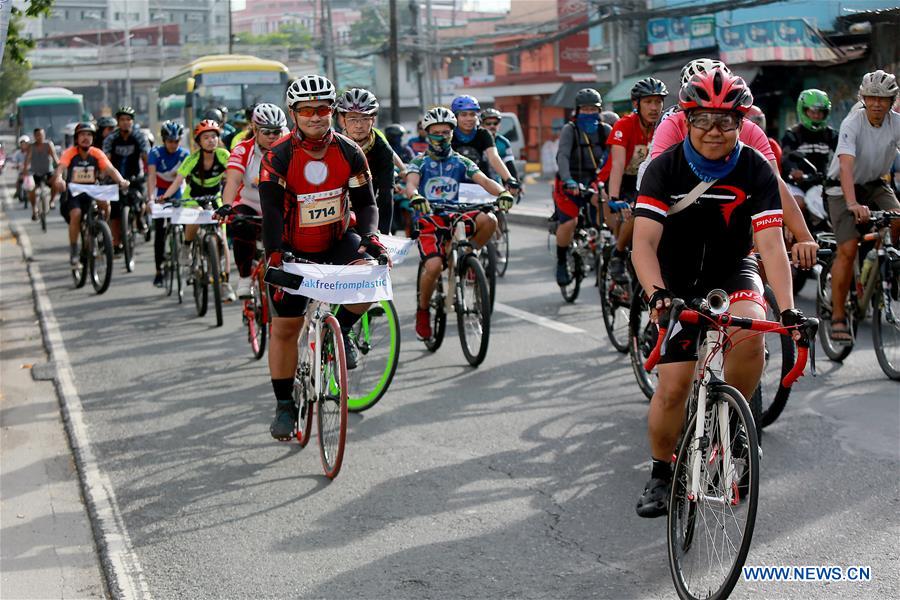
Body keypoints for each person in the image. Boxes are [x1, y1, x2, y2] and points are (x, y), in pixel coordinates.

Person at [631, 68, 803, 518]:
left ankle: (733, 422)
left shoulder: (755, 169)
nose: (714, 130)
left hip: (732, 268)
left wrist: (787, 309)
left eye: (726, 121)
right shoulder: (663, 169)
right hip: (675, 276)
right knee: (673, 387)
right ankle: (661, 474)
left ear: (741, 123)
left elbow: (770, 245)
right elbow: (643, 245)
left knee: (751, 335)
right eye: (703, 119)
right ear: (685, 119)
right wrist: (657, 297)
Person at [259, 74, 388, 440]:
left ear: (333, 111)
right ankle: (285, 406)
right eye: (307, 110)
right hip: (291, 247)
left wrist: (371, 238)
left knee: (369, 281)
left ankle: (341, 328)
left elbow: (366, 203)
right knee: (286, 327)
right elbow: (269, 211)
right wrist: (274, 254)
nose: (316, 116)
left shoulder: (349, 151)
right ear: (294, 113)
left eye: (323, 109)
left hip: (336, 239)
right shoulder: (279, 156)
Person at [643, 59, 819, 270]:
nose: (714, 124)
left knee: (763, 257)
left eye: (724, 116)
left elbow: (775, 183)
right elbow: (658, 183)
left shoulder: (750, 130)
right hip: (679, 208)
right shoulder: (671, 124)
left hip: (730, 208)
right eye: (702, 113)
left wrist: (803, 236)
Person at [405, 106, 513, 341]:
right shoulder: (419, 162)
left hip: (457, 215)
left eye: (446, 132)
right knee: (433, 267)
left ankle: (466, 256)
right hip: (430, 219)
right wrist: (416, 196)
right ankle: (423, 310)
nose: (441, 137)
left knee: (489, 219)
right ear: (426, 132)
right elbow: (411, 184)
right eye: (436, 132)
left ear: (452, 134)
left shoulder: (461, 161)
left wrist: (502, 192)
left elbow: (483, 180)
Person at [824, 69, 900, 343]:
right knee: (847, 248)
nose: (877, 104)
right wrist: (852, 203)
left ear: (892, 101)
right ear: (863, 98)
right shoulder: (852, 122)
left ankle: (876, 264)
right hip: (841, 186)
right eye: (871, 98)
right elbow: (845, 166)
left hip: (875, 183)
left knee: (898, 219)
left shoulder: (896, 122)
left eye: (883, 99)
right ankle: (839, 315)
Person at [597, 77, 668, 284]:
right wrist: (614, 197)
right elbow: (618, 164)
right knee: (635, 214)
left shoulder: (666, 125)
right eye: (648, 102)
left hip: (650, 181)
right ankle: (618, 255)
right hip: (623, 181)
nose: (654, 108)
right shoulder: (625, 124)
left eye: (658, 102)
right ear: (636, 104)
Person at [158, 119, 236, 302]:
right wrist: (165, 196)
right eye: (206, 137)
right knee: (195, 216)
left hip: (214, 196)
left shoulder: (224, 155)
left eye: (214, 137)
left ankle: (225, 283)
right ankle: (187, 246)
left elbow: (234, 175)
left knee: (223, 239)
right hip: (193, 196)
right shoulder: (192, 159)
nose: (211, 140)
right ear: (198, 141)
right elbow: (178, 181)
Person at [219, 103, 288, 299]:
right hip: (250, 204)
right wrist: (226, 205)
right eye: (267, 132)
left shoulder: (291, 149)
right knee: (240, 225)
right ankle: (244, 277)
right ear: (255, 130)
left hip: (279, 207)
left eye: (277, 132)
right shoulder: (243, 149)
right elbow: (232, 180)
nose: (273, 137)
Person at [553, 88, 612, 286]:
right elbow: (562, 156)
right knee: (569, 222)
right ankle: (561, 261)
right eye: (584, 110)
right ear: (577, 111)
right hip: (569, 182)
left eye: (593, 109)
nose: (589, 113)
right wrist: (568, 180)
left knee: (605, 215)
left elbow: (614, 159)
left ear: (600, 110)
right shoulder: (570, 130)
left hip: (595, 181)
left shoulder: (606, 130)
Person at [50, 122, 129, 266]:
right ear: (76, 138)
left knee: (106, 204)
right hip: (74, 192)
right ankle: (74, 250)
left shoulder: (97, 153)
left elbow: (111, 169)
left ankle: (102, 231)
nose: (85, 138)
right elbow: (60, 169)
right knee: (76, 214)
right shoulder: (70, 153)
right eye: (82, 135)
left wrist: (122, 181)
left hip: (93, 190)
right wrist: (59, 179)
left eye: (89, 135)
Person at [335, 88, 396, 234]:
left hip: (368, 211)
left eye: (364, 118)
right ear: (342, 120)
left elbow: (386, 196)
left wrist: (383, 234)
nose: (359, 125)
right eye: (352, 119)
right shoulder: (333, 144)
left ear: (373, 119)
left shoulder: (383, 149)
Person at [146, 121, 190, 287]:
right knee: (159, 231)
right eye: (170, 141)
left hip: (178, 191)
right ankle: (159, 271)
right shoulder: (155, 153)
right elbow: (151, 176)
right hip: (159, 192)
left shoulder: (184, 154)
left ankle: (186, 252)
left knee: (187, 221)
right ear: (164, 140)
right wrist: (150, 198)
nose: (173, 145)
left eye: (176, 141)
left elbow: (186, 180)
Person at [780, 89, 838, 212]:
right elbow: (786, 158)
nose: (816, 116)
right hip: (797, 184)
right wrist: (794, 171)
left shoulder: (831, 135)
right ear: (804, 110)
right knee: (797, 205)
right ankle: (794, 231)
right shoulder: (792, 134)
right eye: (812, 112)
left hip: (823, 184)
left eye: (820, 112)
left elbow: (842, 156)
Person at [103, 106, 151, 250]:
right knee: (115, 212)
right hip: (115, 178)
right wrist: (105, 175)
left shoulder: (139, 137)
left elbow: (146, 158)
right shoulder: (111, 139)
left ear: (132, 121)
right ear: (118, 122)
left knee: (139, 202)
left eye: (128, 119)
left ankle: (140, 219)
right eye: (122, 120)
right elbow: (106, 160)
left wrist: (149, 173)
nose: (125, 122)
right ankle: (116, 242)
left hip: (136, 176)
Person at [449, 95, 519, 191]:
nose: (469, 118)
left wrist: (509, 179)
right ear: (455, 116)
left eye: (472, 114)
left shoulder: (484, 134)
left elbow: (493, 157)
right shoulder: (449, 134)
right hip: (453, 186)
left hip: (482, 184)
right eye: (464, 115)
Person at [24, 127, 60, 220]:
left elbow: (55, 158)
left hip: (48, 172)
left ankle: (51, 201)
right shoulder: (31, 147)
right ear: (34, 136)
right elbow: (27, 160)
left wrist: (59, 168)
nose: (40, 137)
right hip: (35, 173)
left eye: (42, 135)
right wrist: (25, 170)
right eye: (38, 135)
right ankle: (34, 209)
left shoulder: (48, 145)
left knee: (56, 183)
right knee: (31, 189)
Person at [479, 107, 519, 183]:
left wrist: (516, 182)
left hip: (497, 181)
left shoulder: (504, 142)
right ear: (482, 124)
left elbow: (510, 164)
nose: (492, 126)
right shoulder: (477, 140)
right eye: (488, 123)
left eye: (495, 123)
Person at [11, 135, 30, 205]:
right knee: (18, 180)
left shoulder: (30, 152)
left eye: (25, 144)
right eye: (22, 144)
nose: (24, 145)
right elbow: (14, 160)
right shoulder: (17, 153)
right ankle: (17, 192)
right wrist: (16, 165)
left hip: (29, 172)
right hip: (21, 171)